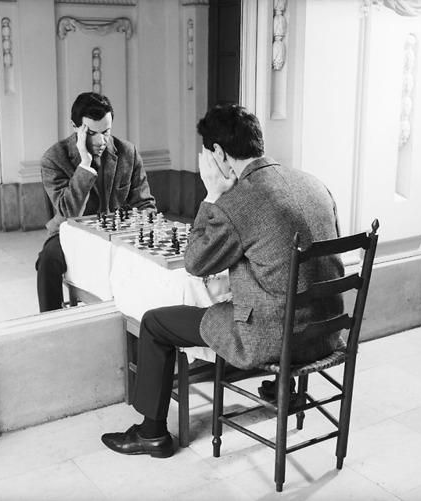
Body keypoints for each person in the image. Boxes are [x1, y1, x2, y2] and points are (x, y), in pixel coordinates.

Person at [101, 104, 344, 458]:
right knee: (279, 291)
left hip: (275, 340)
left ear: (218, 153)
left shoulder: (239, 201)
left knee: (155, 323)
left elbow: (195, 263)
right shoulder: (314, 185)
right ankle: (284, 389)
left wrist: (212, 193)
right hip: (327, 333)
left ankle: (151, 433)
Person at [36, 92, 156, 312]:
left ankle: (141, 318)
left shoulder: (127, 152)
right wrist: (85, 164)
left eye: (106, 132)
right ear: (76, 127)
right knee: (47, 260)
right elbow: (68, 212)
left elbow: (145, 204)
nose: (101, 141)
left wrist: (140, 226)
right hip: (70, 231)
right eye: (92, 133)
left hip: (117, 234)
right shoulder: (54, 158)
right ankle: (51, 322)